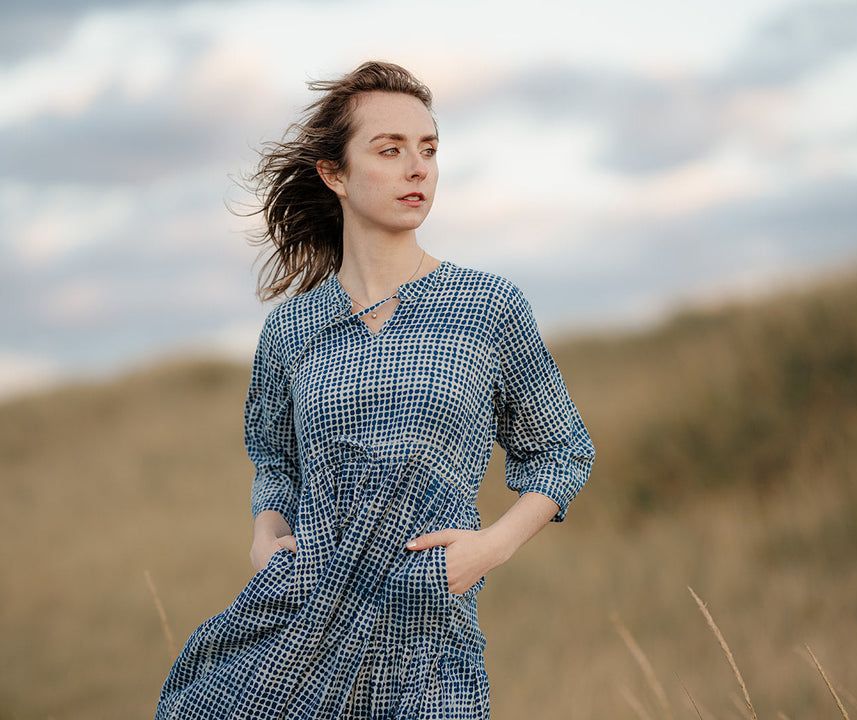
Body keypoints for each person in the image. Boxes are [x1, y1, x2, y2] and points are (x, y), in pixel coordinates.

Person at [156, 60, 594, 720]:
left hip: (428, 635)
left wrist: (488, 548)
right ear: (335, 173)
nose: (418, 169)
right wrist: (266, 535)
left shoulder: (486, 307)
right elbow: (276, 460)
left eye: (429, 150)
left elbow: (563, 452)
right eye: (390, 151)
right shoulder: (292, 329)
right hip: (302, 625)